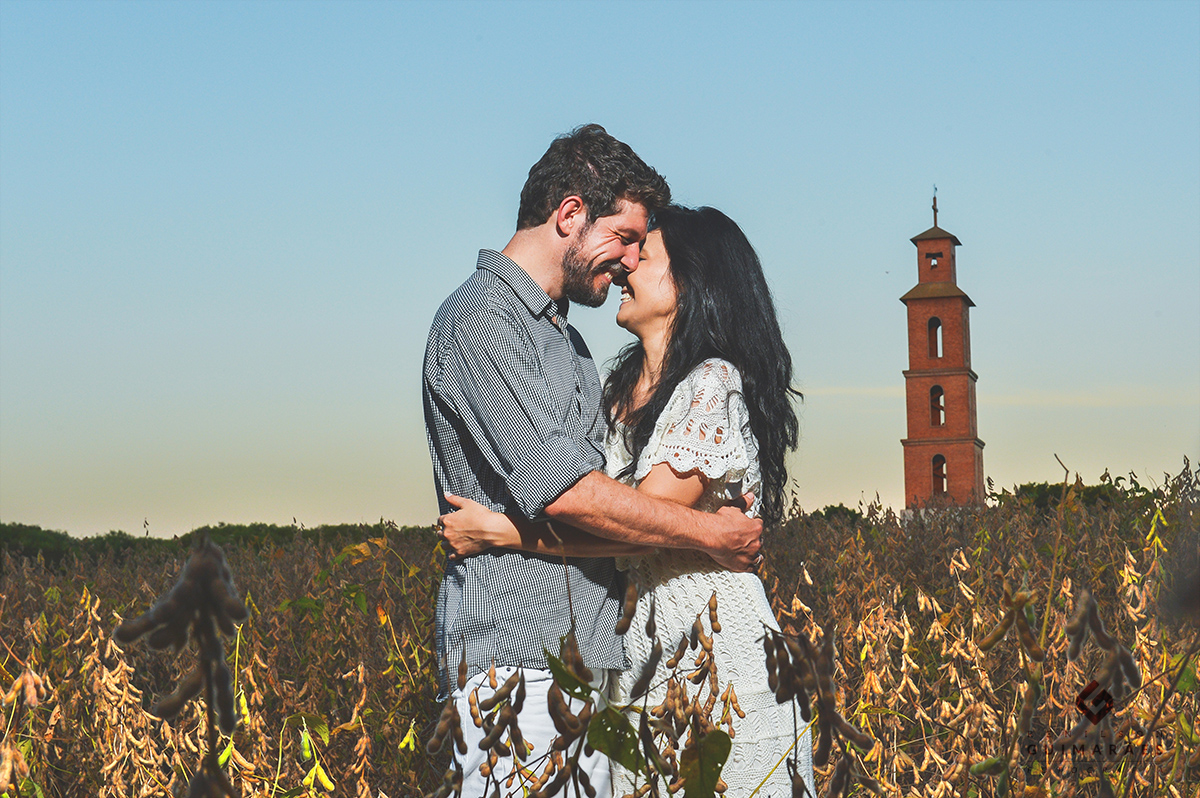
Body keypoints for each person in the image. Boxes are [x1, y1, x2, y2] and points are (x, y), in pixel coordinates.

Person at [422, 126, 764, 797]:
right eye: (627, 237)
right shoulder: (482, 320)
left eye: (643, 246)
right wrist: (713, 535)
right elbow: (572, 494)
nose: (632, 259)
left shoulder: (568, 343)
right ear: (570, 214)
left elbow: (607, 501)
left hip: (587, 666)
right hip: (517, 664)